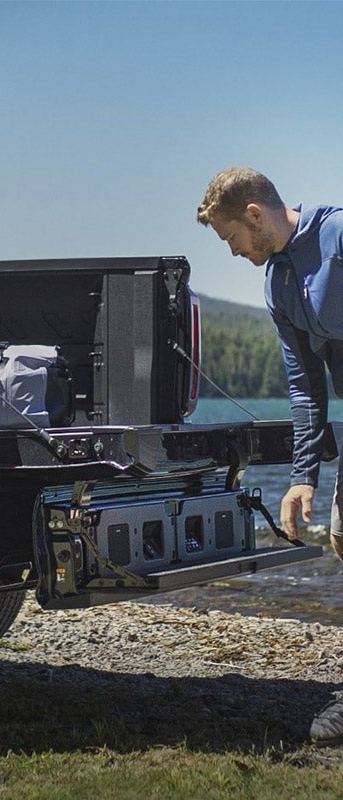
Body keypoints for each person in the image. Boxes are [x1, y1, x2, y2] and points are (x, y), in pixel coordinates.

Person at [197, 167, 343, 746]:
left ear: (254, 214)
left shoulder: (337, 238)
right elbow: (305, 384)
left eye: (231, 237)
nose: (233, 252)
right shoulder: (278, 282)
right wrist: (302, 476)